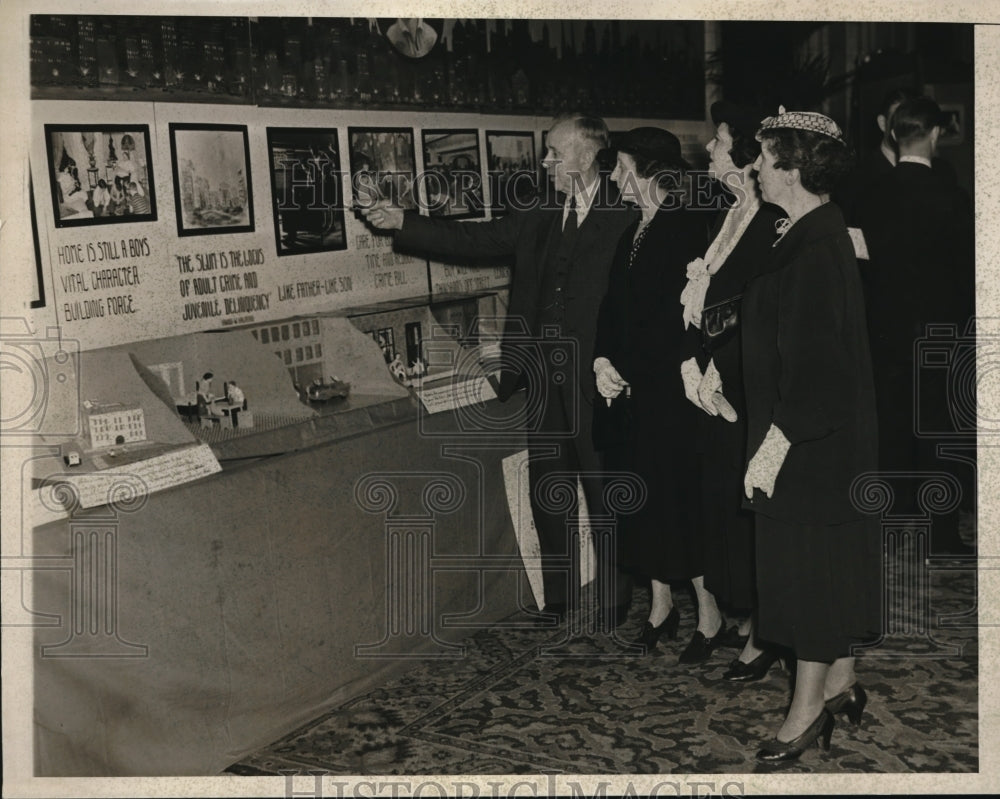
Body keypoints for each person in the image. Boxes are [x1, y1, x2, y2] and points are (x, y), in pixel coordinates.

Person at [360, 113, 639, 628]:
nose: (547, 161)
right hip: (542, 372)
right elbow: (477, 240)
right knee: (548, 485)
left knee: (603, 487)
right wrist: (403, 221)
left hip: (596, 376)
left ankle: (613, 597)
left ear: (586, 153)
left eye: (556, 152)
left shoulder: (625, 215)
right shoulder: (537, 212)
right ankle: (559, 595)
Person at [743, 108, 881, 762]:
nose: (755, 168)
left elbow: (821, 370)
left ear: (794, 168)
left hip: (808, 442)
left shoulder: (818, 244)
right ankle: (843, 681)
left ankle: (805, 709)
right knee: (827, 566)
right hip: (816, 438)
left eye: (765, 157)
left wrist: (772, 448)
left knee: (808, 575)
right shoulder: (805, 232)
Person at [590, 127, 709, 657]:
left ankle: (711, 615)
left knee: (683, 503)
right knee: (645, 504)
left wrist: (641, 367)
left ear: (645, 169)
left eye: (618, 166)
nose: (612, 176)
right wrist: (603, 360)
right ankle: (661, 605)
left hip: (673, 395)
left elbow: (688, 323)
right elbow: (613, 311)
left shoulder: (687, 229)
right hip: (636, 396)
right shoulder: (631, 232)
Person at [677, 102, 784, 674]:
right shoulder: (728, 215)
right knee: (722, 506)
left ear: (746, 156)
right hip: (715, 390)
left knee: (752, 509)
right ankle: (743, 618)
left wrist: (720, 363)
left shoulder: (771, 222)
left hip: (746, 390)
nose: (711, 151)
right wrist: (693, 364)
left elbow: (762, 311)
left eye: (719, 142)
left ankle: (765, 630)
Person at [855, 96, 975, 552]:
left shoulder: (872, 193)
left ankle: (890, 527)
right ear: (936, 134)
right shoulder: (949, 193)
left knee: (890, 427)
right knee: (938, 432)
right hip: (939, 333)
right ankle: (941, 534)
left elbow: (861, 260)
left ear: (894, 134)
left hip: (884, 330)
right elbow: (969, 272)